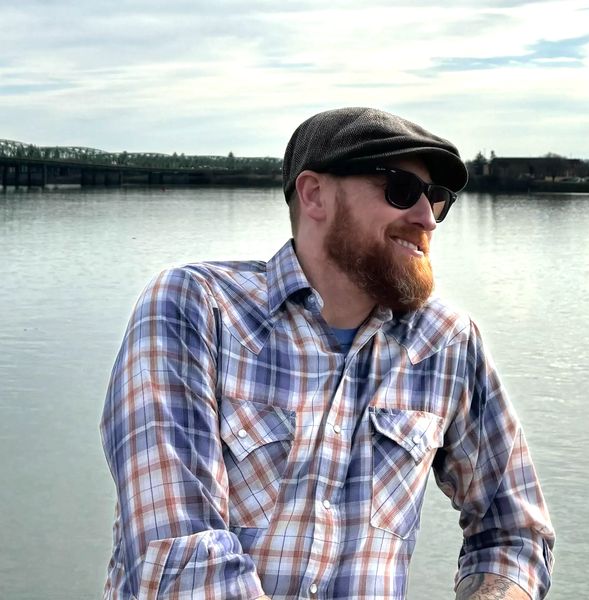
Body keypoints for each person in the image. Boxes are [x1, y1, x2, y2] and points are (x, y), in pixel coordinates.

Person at [100, 107, 555, 600]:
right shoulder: (196, 307)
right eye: (401, 189)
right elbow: (180, 558)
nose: (427, 218)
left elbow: (515, 535)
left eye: (437, 198)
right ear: (314, 194)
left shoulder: (446, 342)